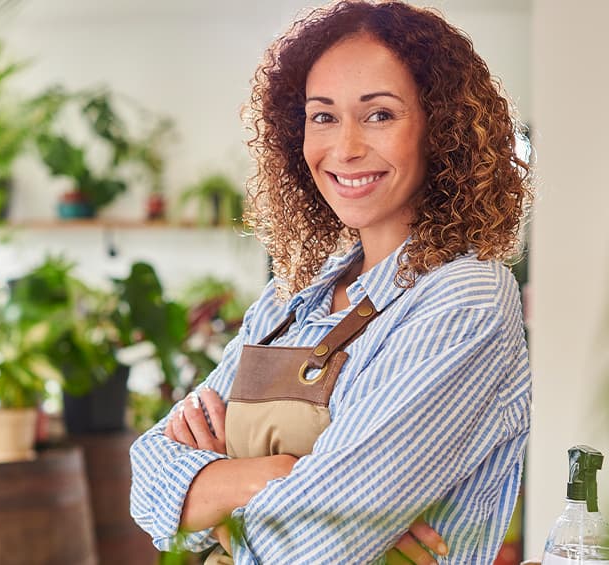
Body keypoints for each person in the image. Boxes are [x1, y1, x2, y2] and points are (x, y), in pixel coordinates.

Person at [127, 1, 533, 563]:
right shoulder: (293, 296)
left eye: (380, 115)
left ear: (441, 131)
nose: (344, 149)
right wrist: (277, 475)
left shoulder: (464, 300)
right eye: (323, 116)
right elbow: (146, 479)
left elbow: (309, 544)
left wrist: (211, 502)